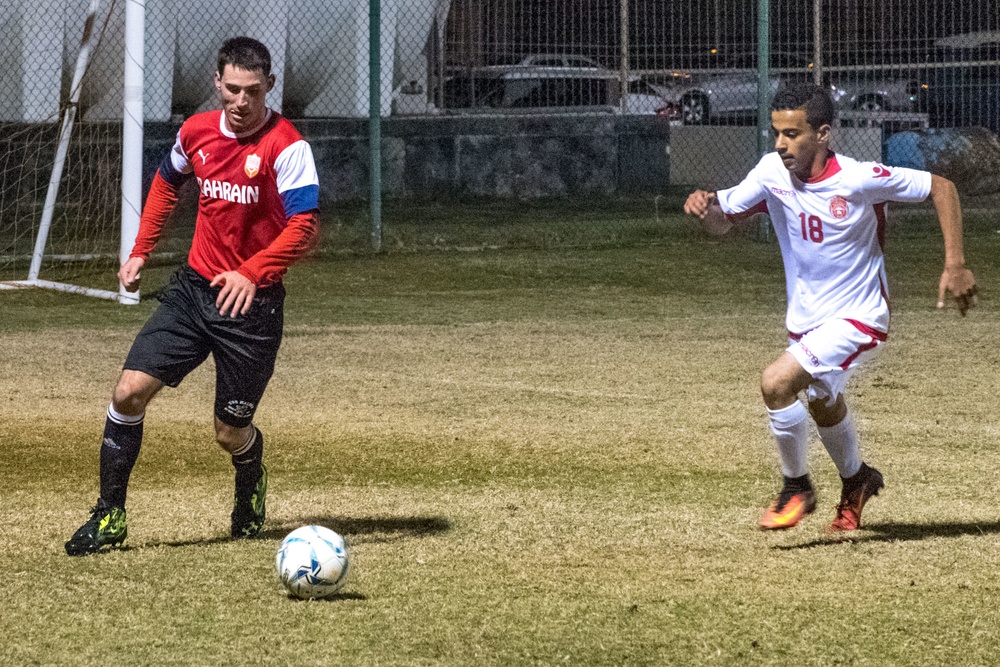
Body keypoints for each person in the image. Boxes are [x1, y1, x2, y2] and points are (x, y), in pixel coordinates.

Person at [683, 83, 977, 532]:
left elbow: (943, 187)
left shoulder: (859, 178)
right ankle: (858, 479)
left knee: (776, 383)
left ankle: (796, 487)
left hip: (860, 316)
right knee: (823, 400)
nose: (781, 144)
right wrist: (707, 211)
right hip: (806, 321)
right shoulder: (769, 172)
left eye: (793, 134)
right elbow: (725, 224)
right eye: (777, 132)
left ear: (823, 134)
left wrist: (954, 264)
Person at [65, 36, 320, 555]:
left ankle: (250, 473)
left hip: (253, 306)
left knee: (229, 432)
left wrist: (251, 272)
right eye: (232, 89)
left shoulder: (288, 146)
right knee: (127, 393)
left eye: (253, 90)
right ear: (217, 83)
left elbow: (304, 225)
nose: (242, 101)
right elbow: (165, 184)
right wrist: (139, 251)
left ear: (269, 86)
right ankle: (110, 515)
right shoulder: (196, 132)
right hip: (193, 290)